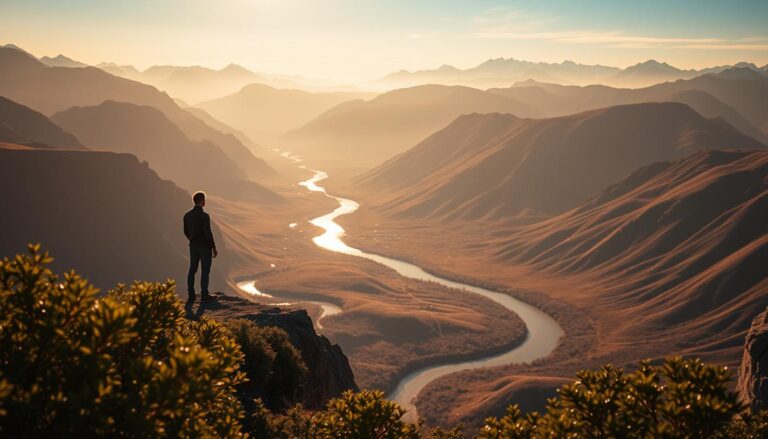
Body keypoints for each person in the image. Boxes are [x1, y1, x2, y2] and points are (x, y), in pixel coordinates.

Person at [183, 191, 218, 302]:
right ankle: (204, 295)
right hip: (205, 247)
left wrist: (192, 239)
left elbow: (185, 232)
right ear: (202, 201)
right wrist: (213, 247)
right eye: (204, 200)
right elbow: (208, 232)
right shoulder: (204, 216)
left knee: (192, 270)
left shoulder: (187, 215)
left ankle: (191, 295)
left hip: (193, 246)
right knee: (205, 271)